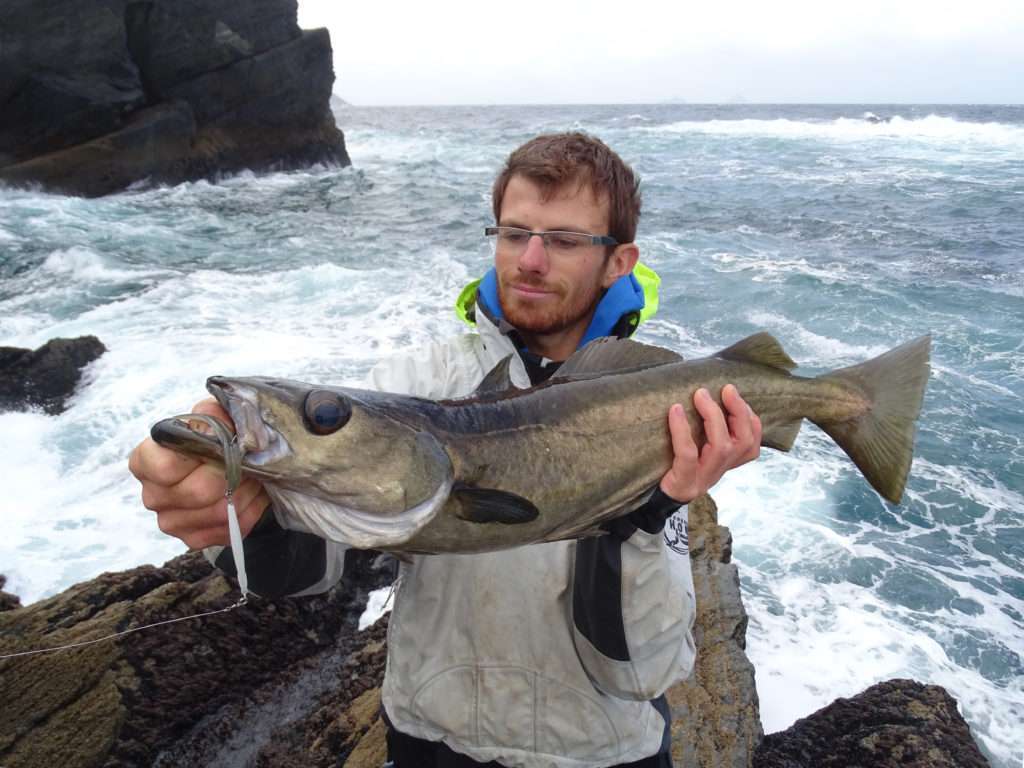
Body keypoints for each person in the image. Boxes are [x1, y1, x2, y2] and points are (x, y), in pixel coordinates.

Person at [129, 132, 762, 768]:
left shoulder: (658, 408)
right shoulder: (415, 384)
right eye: (514, 234)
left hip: (604, 755)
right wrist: (249, 518)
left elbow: (640, 671)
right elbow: (318, 563)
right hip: (430, 743)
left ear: (619, 261)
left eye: (564, 240)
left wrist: (648, 514)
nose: (530, 260)